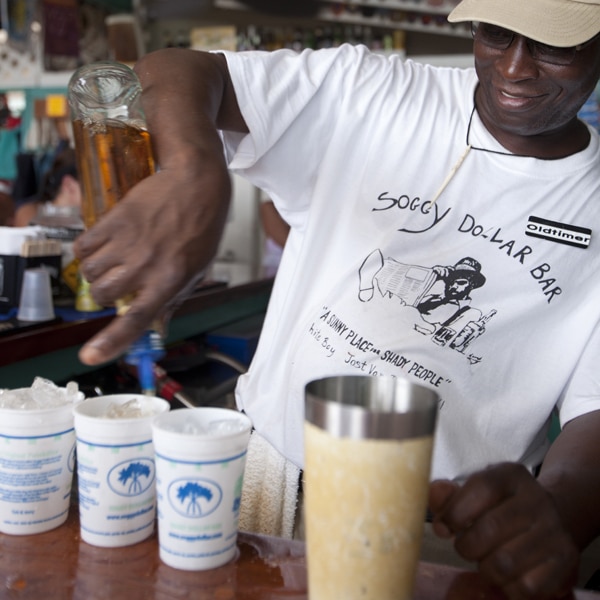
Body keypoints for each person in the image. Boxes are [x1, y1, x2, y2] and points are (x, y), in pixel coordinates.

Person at [74, 0, 600, 597]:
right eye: (496, 33)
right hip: (268, 484)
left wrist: (556, 514)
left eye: (553, 46)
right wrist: (195, 168)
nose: (514, 67)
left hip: (439, 529)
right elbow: (174, 70)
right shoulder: (375, 93)